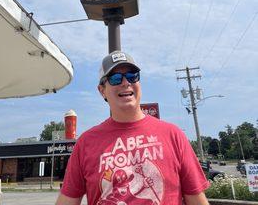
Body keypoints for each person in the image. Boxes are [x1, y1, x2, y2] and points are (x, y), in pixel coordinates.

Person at [56, 51, 210, 205]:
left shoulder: (173, 135)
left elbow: (196, 199)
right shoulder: (85, 143)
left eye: (132, 76)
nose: (125, 83)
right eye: (115, 78)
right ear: (102, 90)